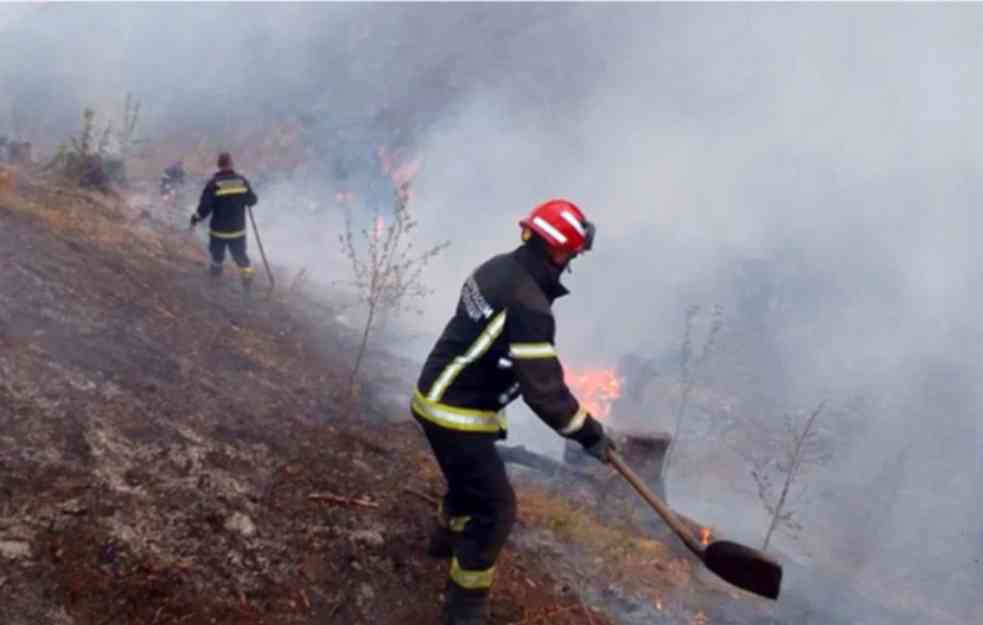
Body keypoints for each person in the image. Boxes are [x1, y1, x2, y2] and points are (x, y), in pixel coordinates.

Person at [412, 199, 616, 625]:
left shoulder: (498, 267)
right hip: (456, 412)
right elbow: (544, 392)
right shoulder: (529, 305)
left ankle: (441, 542)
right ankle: (463, 612)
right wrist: (589, 434)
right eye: (573, 255)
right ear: (559, 251)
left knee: (470, 479)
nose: (572, 262)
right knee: (496, 510)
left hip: (439, 394)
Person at [190, 152, 258, 288]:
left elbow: (205, 207)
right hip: (238, 230)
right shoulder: (242, 181)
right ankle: (248, 283)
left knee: (217, 257)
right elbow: (252, 200)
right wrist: (243, 198)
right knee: (241, 257)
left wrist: (195, 218)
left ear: (219, 165)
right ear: (231, 164)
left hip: (219, 231)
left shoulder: (214, 184)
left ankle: (214, 282)